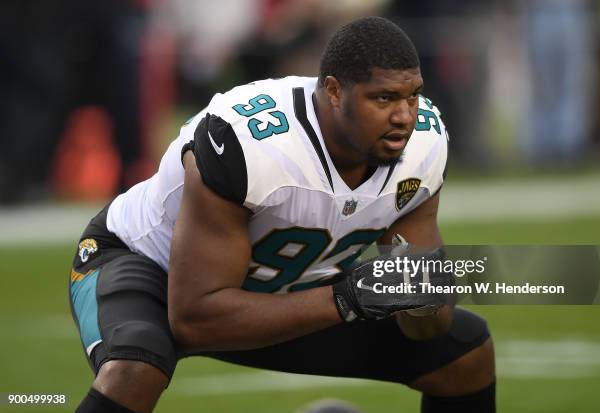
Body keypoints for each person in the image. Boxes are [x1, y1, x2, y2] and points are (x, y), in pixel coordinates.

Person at [69, 16, 495, 413]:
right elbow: (194, 319)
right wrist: (347, 298)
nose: (403, 116)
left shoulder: (423, 144)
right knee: (135, 367)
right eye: (383, 98)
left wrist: (422, 297)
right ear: (333, 91)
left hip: (287, 286)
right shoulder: (248, 144)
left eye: (412, 95)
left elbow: (426, 328)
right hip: (150, 269)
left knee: (463, 353)